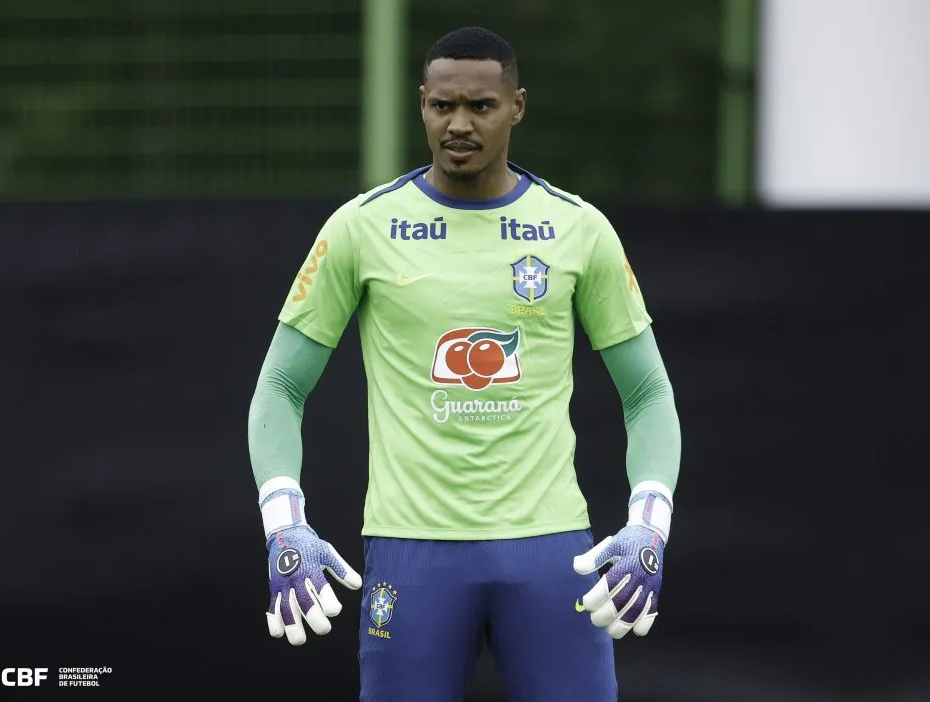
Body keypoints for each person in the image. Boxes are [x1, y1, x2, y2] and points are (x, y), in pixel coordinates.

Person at [247, 25, 682, 702]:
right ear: (420, 103)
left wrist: (648, 523)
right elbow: (280, 385)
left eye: (480, 106)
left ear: (518, 107)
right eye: (441, 105)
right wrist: (284, 523)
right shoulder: (361, 228)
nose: (458, 124)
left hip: (549, 550)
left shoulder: (577, 229)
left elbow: (648, 391)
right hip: (411, 552)